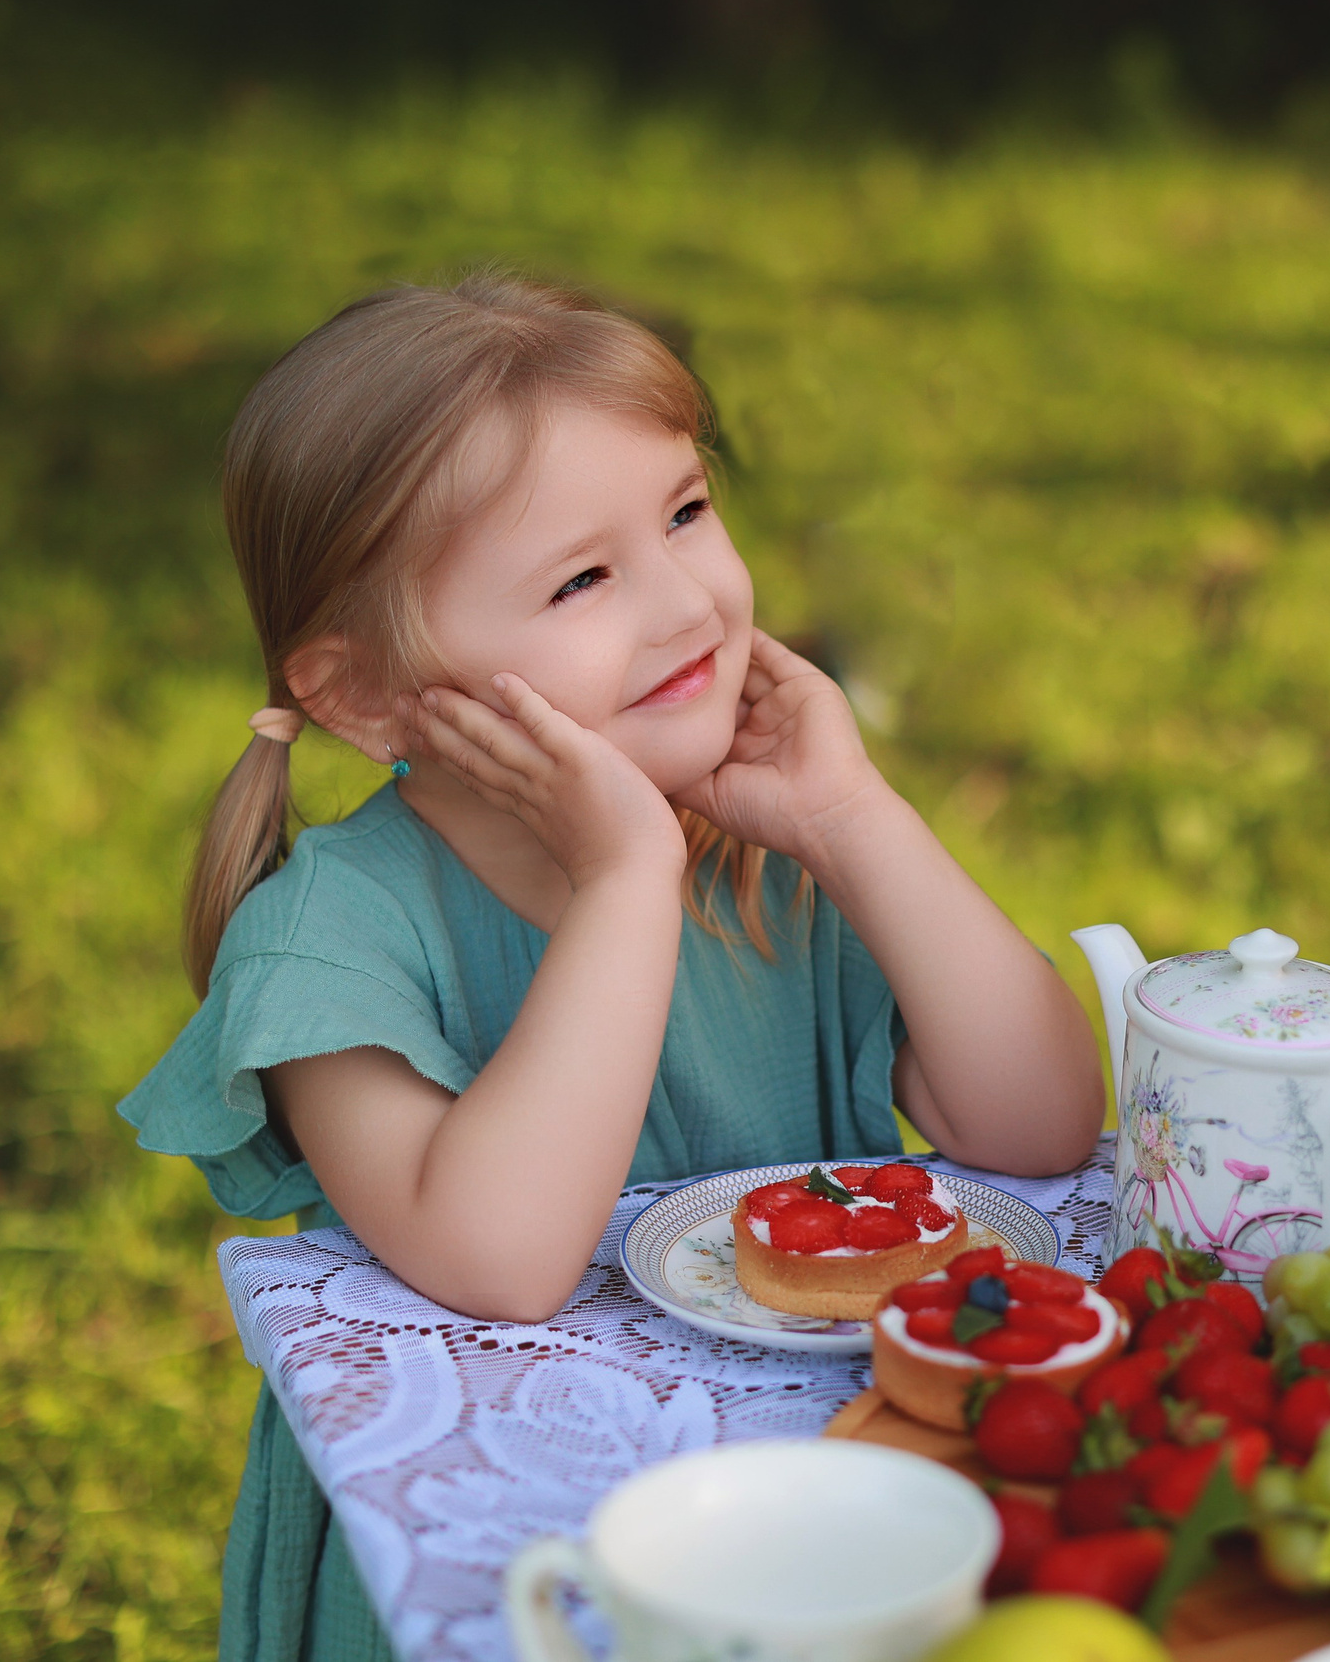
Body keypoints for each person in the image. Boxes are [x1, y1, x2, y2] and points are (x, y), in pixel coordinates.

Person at [117, 273, 1104, 1662]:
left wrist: (852, 820)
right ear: (366, 696)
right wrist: (625, 882)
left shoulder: (767, 858)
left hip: (811, 1510)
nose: (682, 602)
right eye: (581, 578)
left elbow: (1044, 1123)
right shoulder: (332, 942)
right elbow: (505, 1262)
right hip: (504, 1560)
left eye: (688, 513)